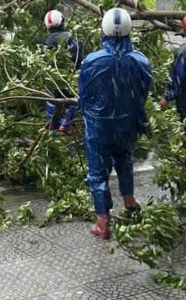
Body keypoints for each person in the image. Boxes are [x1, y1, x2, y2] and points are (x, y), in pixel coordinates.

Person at [78, 8, 152, 240]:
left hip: (99, 128)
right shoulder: (141, 61)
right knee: (124, 159)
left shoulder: (92, 61)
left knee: (98, 174)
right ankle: (129, 200)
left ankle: (103, 223)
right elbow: (144, 93)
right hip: (127, 124)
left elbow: (84, 96)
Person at [43, 9, 82, 134]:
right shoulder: (68, 37)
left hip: (51, 77)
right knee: (72, 99)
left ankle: (52, 124)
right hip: (67, 76)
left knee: (52, 100)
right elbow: (77, 55)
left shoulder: (46, 40)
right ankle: (65, 124)